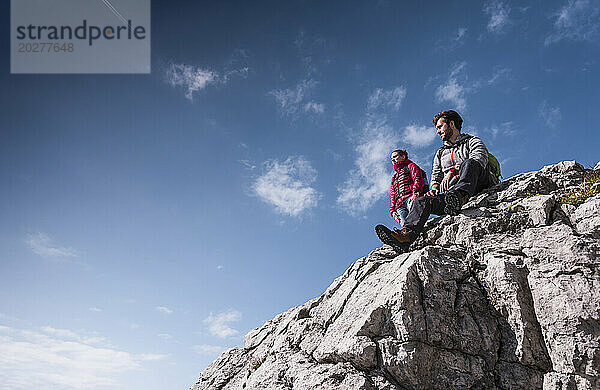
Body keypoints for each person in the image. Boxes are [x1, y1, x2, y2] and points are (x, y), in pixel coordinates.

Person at [376, 110, 497, 253]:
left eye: (440, 127)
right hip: (452, 196)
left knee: (469, 163)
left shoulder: (472, 141)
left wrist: (454, 171)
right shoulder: (440, 153)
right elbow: (436, 176)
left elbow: (479, 159)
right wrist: (434, 187)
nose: (438, 131)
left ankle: (461, 196)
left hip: (479, 183)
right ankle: (405, 237)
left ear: (451, 124)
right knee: (420, 201)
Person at [389, 149, 426, 227]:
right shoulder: (394, 178)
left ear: (403, 156)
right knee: (404, 225)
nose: (393, 160)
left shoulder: (411, 166)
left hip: (411, 198)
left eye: (395, 157)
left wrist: (416, 193)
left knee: (416, 220)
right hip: (399, 205)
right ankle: (409, 238)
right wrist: (392, 211)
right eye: (392, 159)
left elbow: (418, 178)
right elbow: (393, 194)